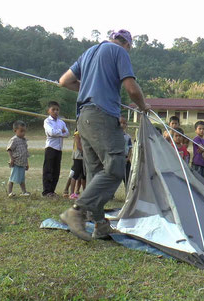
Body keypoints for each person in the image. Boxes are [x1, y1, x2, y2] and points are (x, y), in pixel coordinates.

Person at [58, 29, 151, 241]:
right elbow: (131, 88)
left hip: (84, 118)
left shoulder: (89, 52)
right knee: (115, 167)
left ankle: (99, 224)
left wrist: (88, 88)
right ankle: (77, 211)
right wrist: (143, 106)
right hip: (102, 116)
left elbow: (64, 81)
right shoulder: (120, 52)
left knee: (95, 172)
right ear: (127, 44)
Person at [42, 101, 69, 197]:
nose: (55, 111)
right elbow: (51, 132)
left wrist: (59, 132)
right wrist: (60, 132)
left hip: (59, 148)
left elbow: (67, 134)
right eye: (53, 109)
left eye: (57, 110)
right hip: (51, 148)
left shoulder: (61, 122)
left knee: (56, 170)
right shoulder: (47, 121)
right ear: (48, 111)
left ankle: (52, 191)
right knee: (48, 170)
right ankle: (46, 191)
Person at [6, 120, 30, 197]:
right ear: (15, 130)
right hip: (16, 162)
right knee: (12, 178)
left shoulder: (24, 140)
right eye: (21, 131)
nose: (23, 133)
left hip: (22, 163)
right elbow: (9, 149)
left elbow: (25, 152)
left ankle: (24, 192)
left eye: (24, 131)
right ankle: (10, 192)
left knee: (22, 179)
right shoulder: (14, 139)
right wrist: (11, 159)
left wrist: (27, 163)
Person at [69, 130, 86, 200]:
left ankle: (85, 192)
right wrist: (84, 152)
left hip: (84, 157)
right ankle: (71, 193)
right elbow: (78, 145)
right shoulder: (77, 133)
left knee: (83, 175)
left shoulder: (86, 131)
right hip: (78, 156)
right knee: (75, 174)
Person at [121, 117, 133, 188]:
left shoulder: (128, 137)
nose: (122, 125)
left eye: (124, 123)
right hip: (117, 159)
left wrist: (128, 158)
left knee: (128, 177)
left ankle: (128, 192)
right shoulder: (113, 136)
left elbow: (130, 148)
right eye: (120, 123)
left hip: (125, 159)